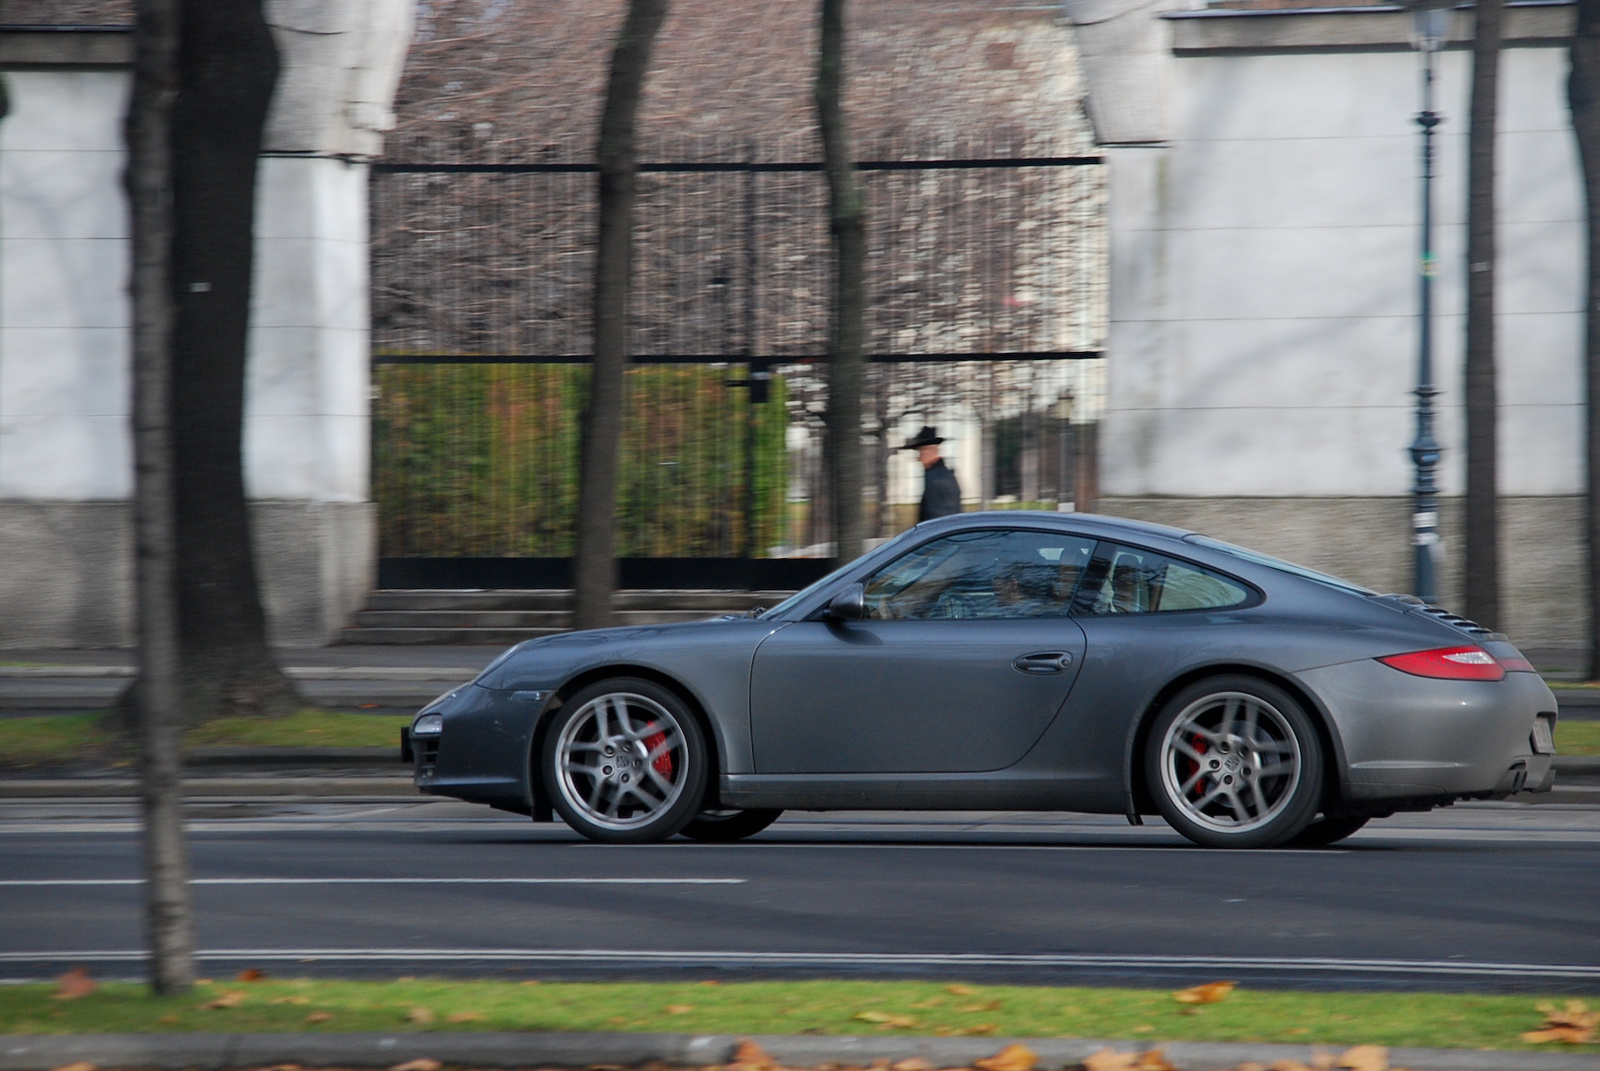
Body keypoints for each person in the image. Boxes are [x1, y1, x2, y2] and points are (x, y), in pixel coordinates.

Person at [903, 425, 962, 521]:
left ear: (930, 451)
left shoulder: (937, 479)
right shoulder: (941, 475)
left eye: (920, 452)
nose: (919, 459)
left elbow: (936, 519)